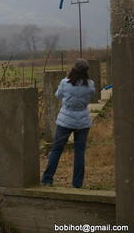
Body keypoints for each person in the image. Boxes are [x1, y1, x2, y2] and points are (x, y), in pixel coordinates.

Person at [41, 59, 95, 188]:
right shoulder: (90, 84)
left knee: (56, 150)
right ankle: (77, 184)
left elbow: (58, 95)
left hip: (65, 121)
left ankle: (47, 179)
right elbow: (91, 94)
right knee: (79, 152)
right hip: (83, 121)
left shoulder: (65, 83)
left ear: (74, 69)